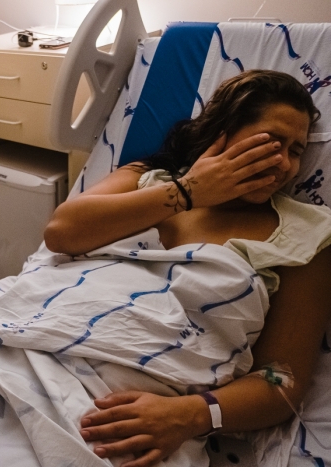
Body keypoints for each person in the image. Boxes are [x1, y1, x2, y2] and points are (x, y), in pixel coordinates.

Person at [43, 69, 331, 466]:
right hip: (40, 347)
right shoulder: (146, 181)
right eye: (272, 142)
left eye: (296, 151)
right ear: (224, 131)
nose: (283, 162)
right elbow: (62, 232)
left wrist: (191, 414)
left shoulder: (305, 236)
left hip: (133, 407)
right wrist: (187, 192)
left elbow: (282, 380)